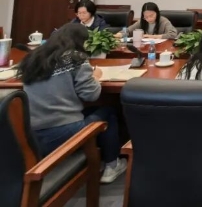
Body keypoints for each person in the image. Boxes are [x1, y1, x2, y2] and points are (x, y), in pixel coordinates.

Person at [16, 23, 127, 183]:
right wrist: (95, 76)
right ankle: (112, 164)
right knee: (108, 112)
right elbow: (92, 95)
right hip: (62, 133)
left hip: (31, 134)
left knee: (90, 111)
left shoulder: (33, 58)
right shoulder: (75, 58)